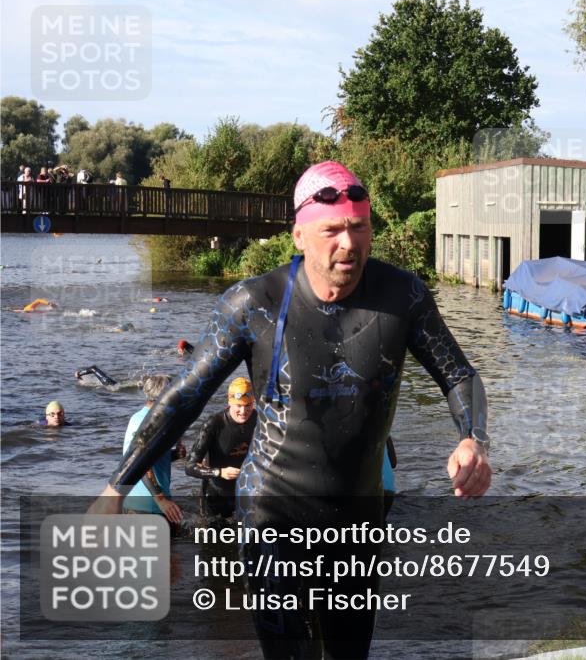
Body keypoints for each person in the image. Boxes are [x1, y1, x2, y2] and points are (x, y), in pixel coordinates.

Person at [90, 160, 491, 659]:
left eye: (359, 227)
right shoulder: (253, 302)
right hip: (271, 512)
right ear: (300, 234)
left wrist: (474, 439)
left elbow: (459, 374)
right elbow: (183, 397)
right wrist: (116, 488)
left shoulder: (403, 295)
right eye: (332, 231)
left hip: (357, 515)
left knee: (349, 652)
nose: (349, 243)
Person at [185, 377, 257, 522]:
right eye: (238, 405)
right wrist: (219, 472)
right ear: (229, 402)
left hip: (246, 492)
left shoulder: (258, 419)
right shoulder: (214, 424)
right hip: (216, 495)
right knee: (214, 541)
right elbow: (189, 466)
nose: (243, 411)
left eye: (248, 405)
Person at [122, 375, 185, 525]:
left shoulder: (138, 416)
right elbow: (138, 463)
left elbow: (150, 457)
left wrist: (174, 455)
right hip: (148, 506)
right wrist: (161, 499)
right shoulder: (150, 422)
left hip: (134, 502)